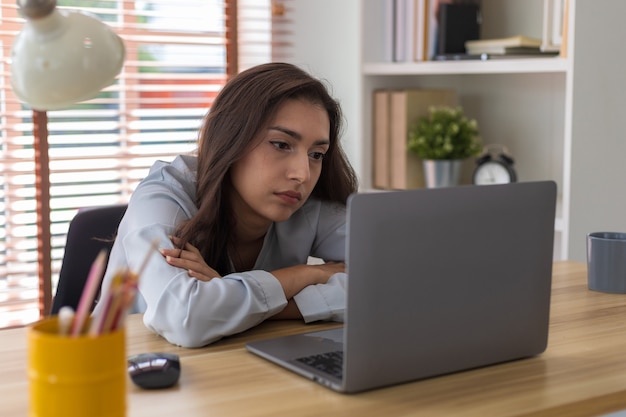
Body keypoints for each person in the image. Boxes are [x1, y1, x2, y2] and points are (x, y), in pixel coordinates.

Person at [94, 62, 359, 348]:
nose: (302, 174)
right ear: (232, 138)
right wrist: (304, 275)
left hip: (237, 373)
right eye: (281, 144)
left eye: (317, 154)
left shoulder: (307, 206)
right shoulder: (162, 196)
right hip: (121, 369)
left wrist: (242, 301)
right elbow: (186, 318)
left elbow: (397, 280)